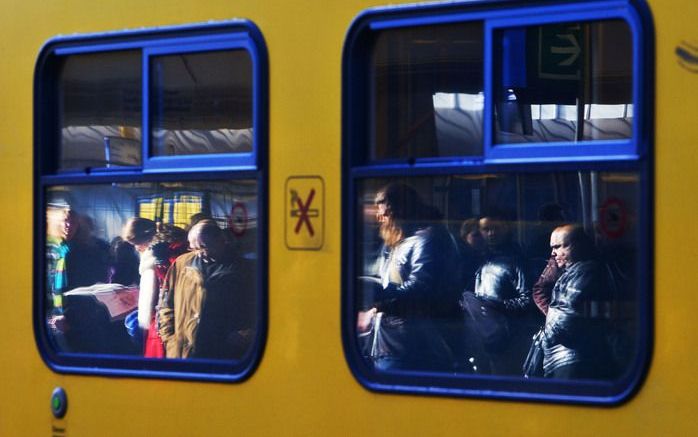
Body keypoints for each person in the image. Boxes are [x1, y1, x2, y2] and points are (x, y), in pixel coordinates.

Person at [356, 183, 460, 372]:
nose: (379, 218)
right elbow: (390, 281)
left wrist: (376, 293)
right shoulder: (398, 242)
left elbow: (421, 288)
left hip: (409, 343)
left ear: (398, 211)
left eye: (384, 214)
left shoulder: (427, 239)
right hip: (391, 339)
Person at [157, 220, 256, 360]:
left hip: (223, 355)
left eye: (204, 247)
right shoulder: (181, 265)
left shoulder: (245, 270)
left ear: (221, 240)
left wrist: (246, 335)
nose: (199, 254)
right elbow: (166, 305)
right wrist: (170, 340)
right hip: (183, 354)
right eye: (193, 248)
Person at [461, 214, 536, 374]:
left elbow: (528, 300)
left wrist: (497, 305)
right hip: (480, 337)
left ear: (506, 228)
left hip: (509, 339)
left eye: (496, 228)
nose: (491, 234)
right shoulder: (476, 261)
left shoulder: (516, 261)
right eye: (486, 229)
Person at [541, 224, 615, 379]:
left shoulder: (586, 272)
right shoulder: (574, 272)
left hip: (573, 360)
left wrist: (549, 332)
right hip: (567, 359)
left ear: (577, 245)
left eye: (559, 247)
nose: (553, 253)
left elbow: (564, 322)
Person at [121, 217, 187, 358]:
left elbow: (150, 299)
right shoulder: (178, 247)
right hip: (180, 320)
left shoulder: (154, 258)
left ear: (144, 240)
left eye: (135, 244)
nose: (136, 248)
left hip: (161, 324)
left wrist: (142, 325)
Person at [46, 204, 109, 343]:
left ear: (79, 225)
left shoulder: (83, 252)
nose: (68, 225)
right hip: (59, 317)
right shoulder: (59, 250)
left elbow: (88, 289)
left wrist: (69, 317)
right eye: (65, 221)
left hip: (77, 321)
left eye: (73, 221)